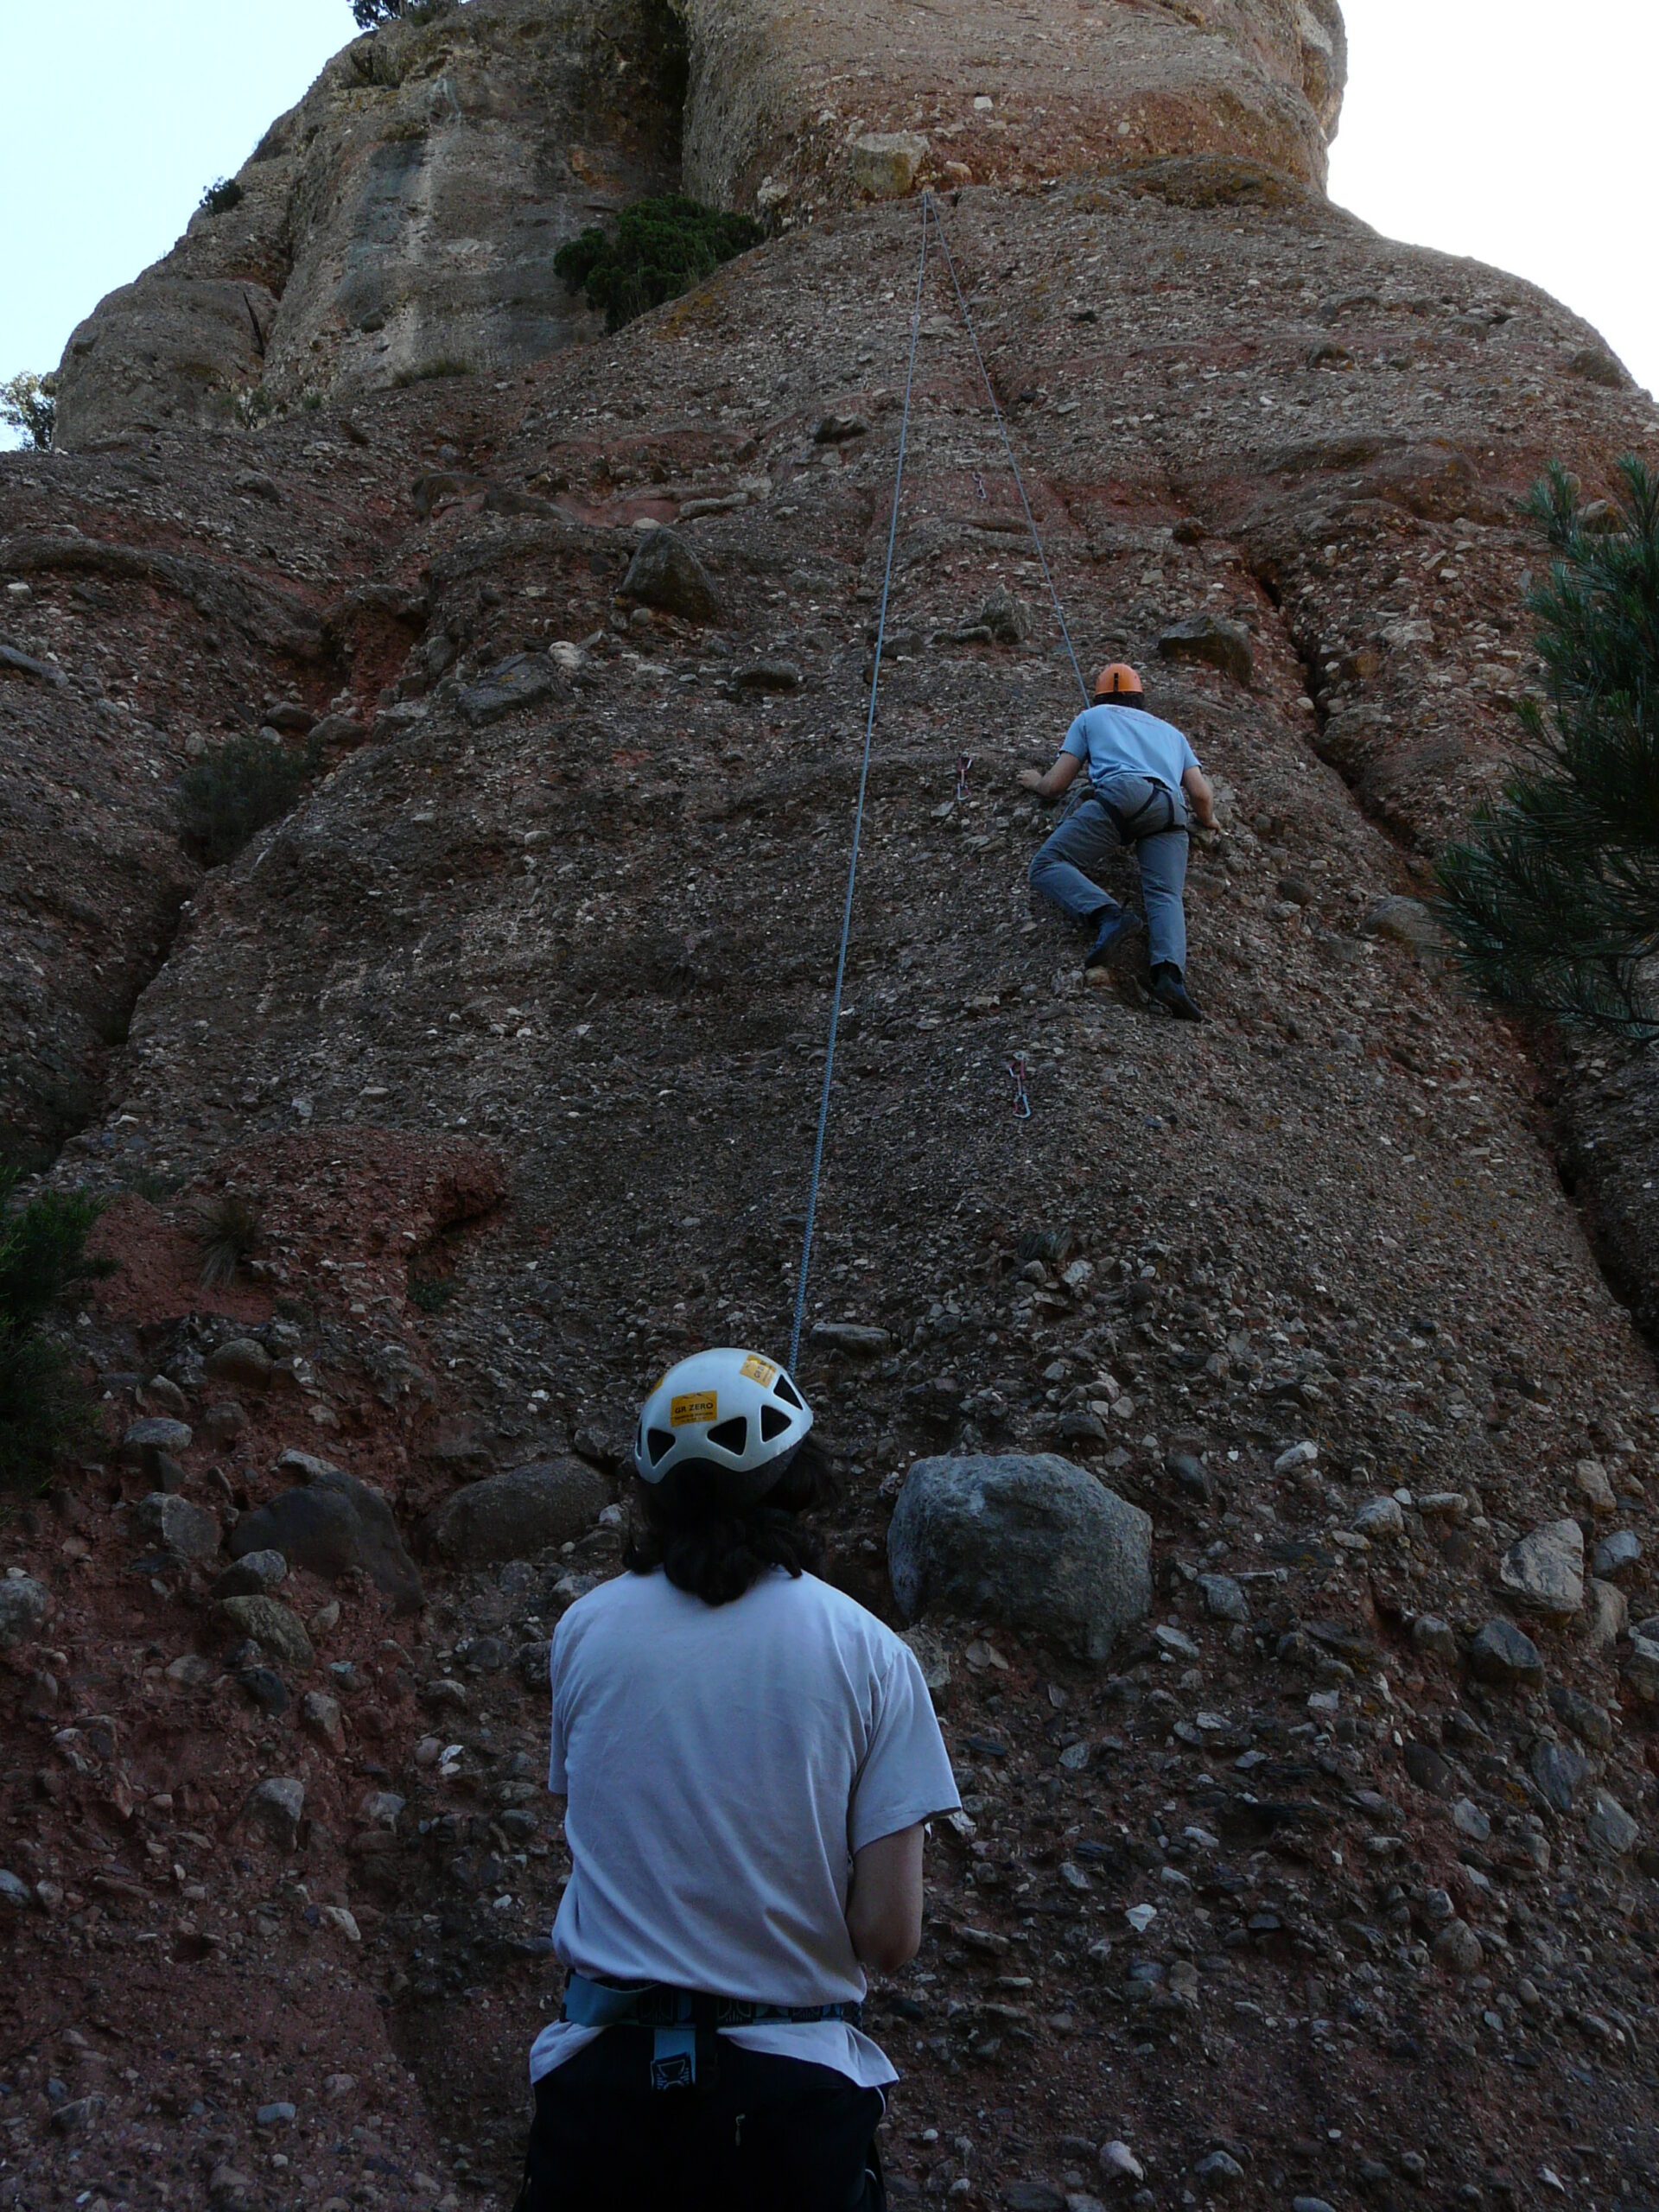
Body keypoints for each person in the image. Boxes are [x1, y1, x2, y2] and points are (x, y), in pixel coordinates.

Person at [513, 1345, 961, 2212]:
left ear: (652, 1491)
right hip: (789, 2111)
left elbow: (588, 1821)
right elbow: (889, 1935)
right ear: (799, 1478)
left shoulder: (583, 1633)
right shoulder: (870, 1651)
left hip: (600, 2098)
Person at [1020, 661, 1215, 1020]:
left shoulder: (1091, 718)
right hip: (1171, 809)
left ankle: (1108, 915)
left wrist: (1035, 782)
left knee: (1047, 864)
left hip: (1124, 795)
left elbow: (1056, 785)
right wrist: (1210, 821)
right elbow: (1201, 795)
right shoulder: (1173, 733)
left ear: (1099, 697)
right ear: (1140, 699)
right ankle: (1169, 977)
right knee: (1164, 894)